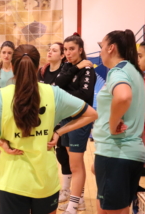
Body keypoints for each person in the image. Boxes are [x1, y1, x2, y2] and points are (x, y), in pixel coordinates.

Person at [0, 44, 98, 214]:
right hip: (45, 180)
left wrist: (1, 143)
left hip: (12, 181)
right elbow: (91, 114)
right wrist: (58, 132)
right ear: (37, 67)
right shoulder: (53, 93)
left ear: (12, 67)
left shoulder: (2, 97)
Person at [93, 29, 145, 214]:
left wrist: (113, 123)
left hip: (116, 153)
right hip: (127, 153)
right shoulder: (134, 72)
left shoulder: (118, 72)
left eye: (102, 47)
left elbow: (123, 97)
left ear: (111, 48)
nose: (100, 52)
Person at [54, 33, 95, 213]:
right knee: (72, 164)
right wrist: (75, 67)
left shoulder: (88, 70)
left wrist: (63, 96)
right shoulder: (68, 67)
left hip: (80, 119)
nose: (68, 53)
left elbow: (85, 97)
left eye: (72, 49)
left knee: (76, 164)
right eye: (66, 49)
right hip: (66, 119)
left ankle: (74, 205)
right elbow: (57, 85)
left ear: (80, 50)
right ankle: (77, 198)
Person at [37, 42, 73, 203]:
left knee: (65, 156)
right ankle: (46, 185)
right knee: (49, 153)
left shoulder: (65, 72)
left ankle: (68, 190)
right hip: (44, 119)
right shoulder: (42, 71)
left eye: (54, 50)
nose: (50, 52)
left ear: (62, 55)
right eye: (49, 49)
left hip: (63, 119)